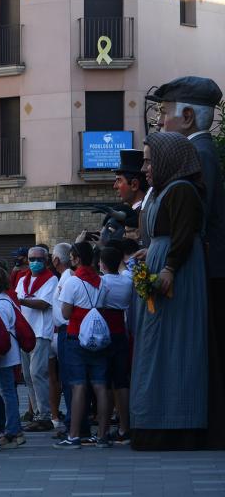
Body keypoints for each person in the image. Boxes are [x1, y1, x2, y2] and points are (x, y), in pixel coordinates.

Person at [150, 77, 225, 450]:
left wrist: (172, 265)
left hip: (207, 272)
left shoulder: (200, 157)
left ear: (189, 117)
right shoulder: (202, 154)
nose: (161, 123)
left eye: (165, 114)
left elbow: (196, 223)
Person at [130, 132, 208, 450]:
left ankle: (172, 422)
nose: (145, 167)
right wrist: (151, 253)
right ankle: (154, 419)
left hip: (177, 277)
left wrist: (168, 267)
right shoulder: (167, 191)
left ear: (169, 161)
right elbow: (169, 233)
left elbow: (184, 235)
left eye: (149, 160)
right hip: (164, 269)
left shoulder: (182, 191)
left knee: (173, 346)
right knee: (156, 346)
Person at [54, 242, 111, 449]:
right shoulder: (102, 282)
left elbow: (65, 314)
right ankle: (103, 436)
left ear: (77, 259)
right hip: (99, 339)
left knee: (78, 385)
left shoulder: (73, 283)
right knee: (100, 385)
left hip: (76, 337)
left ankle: (74, 435)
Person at [15, 246, 58, 432]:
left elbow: (43, 303)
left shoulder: (51, 279)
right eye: (32, 258)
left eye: (39, 259)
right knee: (27, 376)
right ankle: (37, 412)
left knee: (37, 373)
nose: (35, 262)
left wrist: (22, 301)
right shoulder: (23, 279)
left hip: (41, 331)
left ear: (46, 260)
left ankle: (45, 414)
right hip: (25, 332)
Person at [98, 246, 134, 444]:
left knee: (103, 381)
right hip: (122, 330)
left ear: (102, 263)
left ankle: (103, 430)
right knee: (121, 380)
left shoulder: (102, 282)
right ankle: (124, 427)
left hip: (104, 331)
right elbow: (126, 269)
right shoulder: (127, 280)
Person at [0, 267, 24, 449]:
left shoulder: (0, 303)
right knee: (9, 390)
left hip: (4, 352)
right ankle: (15, 429)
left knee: (7, 391)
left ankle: (13, 430)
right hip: (10, 351)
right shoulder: (6, 300)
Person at [50, 242, 74, 435]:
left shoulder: (68, 279)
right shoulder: (64, 278)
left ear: (56, 260)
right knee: (64, 377)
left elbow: (65, 311)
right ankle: (71, 420)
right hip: (62, 330)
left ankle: (72, 422)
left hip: (67, 329)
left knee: (68, 378)